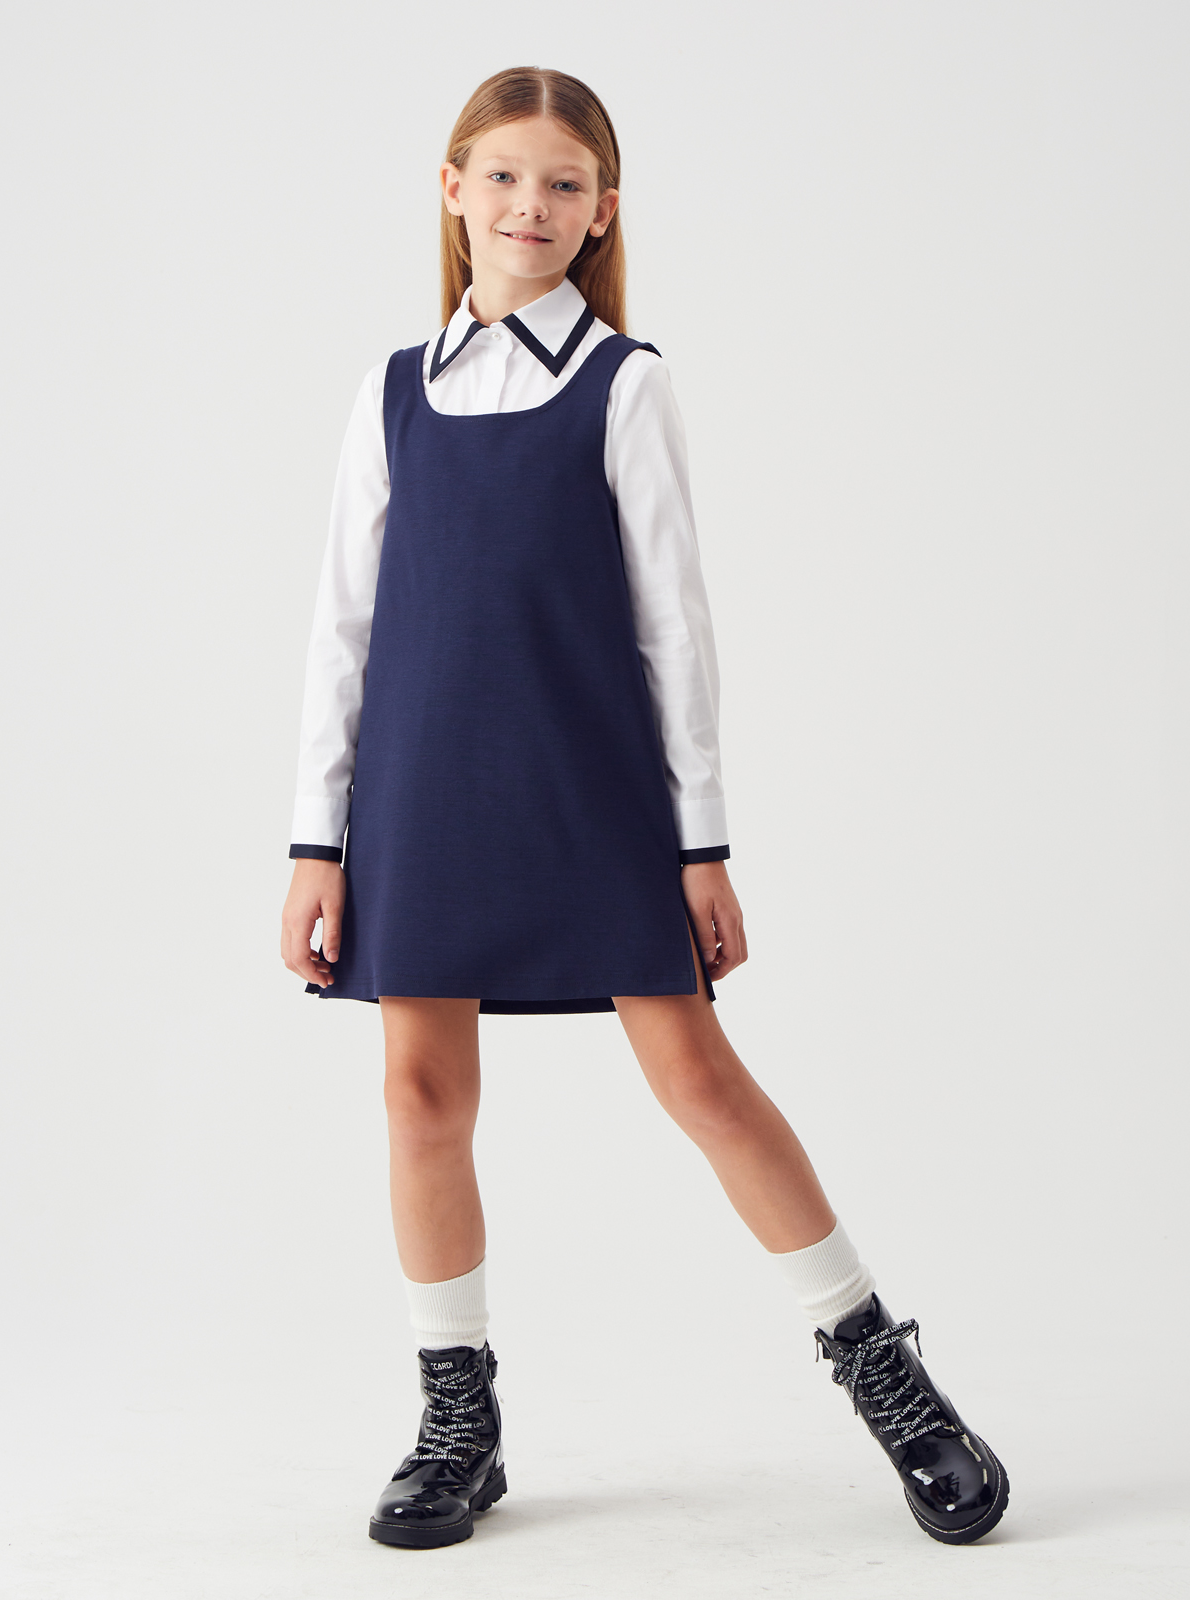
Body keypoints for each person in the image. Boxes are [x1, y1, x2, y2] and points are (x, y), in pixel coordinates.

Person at [280, 65, 1008, 1552]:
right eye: (502, 176)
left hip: (587, 785)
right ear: (451, 190)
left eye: (563, 184)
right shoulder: (391, 392)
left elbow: (677, 628)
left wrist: (703, 842)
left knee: (699, 1079)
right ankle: (458, 1421)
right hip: (422, 789)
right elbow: (342, 626)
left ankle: (888, 1376)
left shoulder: (624, 385)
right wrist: (314, 839)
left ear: (602, 213)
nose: (529, 206)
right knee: (420, 1096)